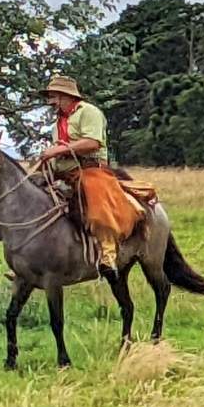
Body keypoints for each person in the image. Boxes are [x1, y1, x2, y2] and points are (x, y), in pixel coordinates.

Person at [31, 74, 140, 278]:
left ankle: (108, 256)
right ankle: (31, 258)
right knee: (30, 197)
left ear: (66, 96)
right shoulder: (58, 123)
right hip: (62, 172)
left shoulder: (89, 112)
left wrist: (55, 151)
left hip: (90, 169)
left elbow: (93, 142)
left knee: (97, 206)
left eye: (53, 97)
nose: (50, 102)